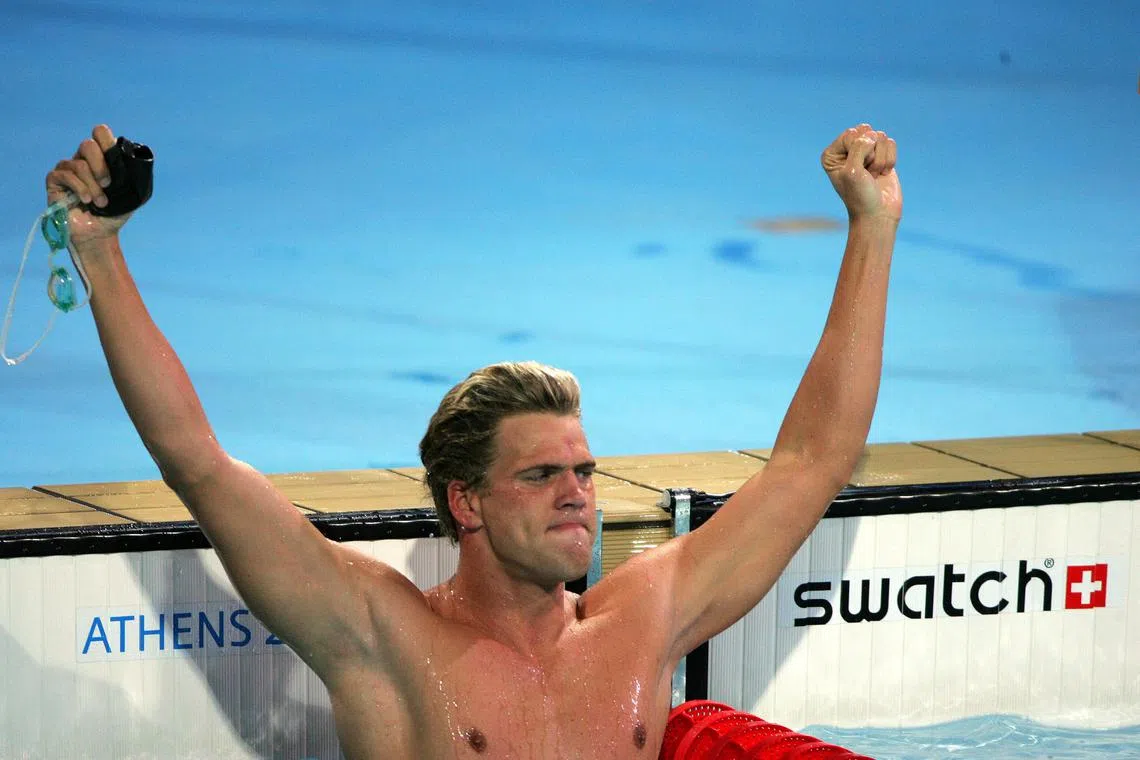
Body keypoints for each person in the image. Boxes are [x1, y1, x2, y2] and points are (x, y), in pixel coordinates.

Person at [47, 122, 901, 758]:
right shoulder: (385, 638)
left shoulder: (642, 618)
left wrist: (873, 225)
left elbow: (810, 463)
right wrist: (100, 251)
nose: (577, 494)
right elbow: (197, 462)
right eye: (541, 475)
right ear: (466, 502)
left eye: (584, 472)